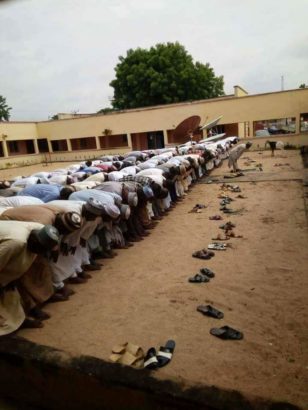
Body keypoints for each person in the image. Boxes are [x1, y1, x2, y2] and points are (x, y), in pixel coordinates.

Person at [0, 221, 60, 335]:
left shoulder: (42, 230)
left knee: (10, 288)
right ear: (35, 241)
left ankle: (19, 321)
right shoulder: (15, 243)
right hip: (7, 243)